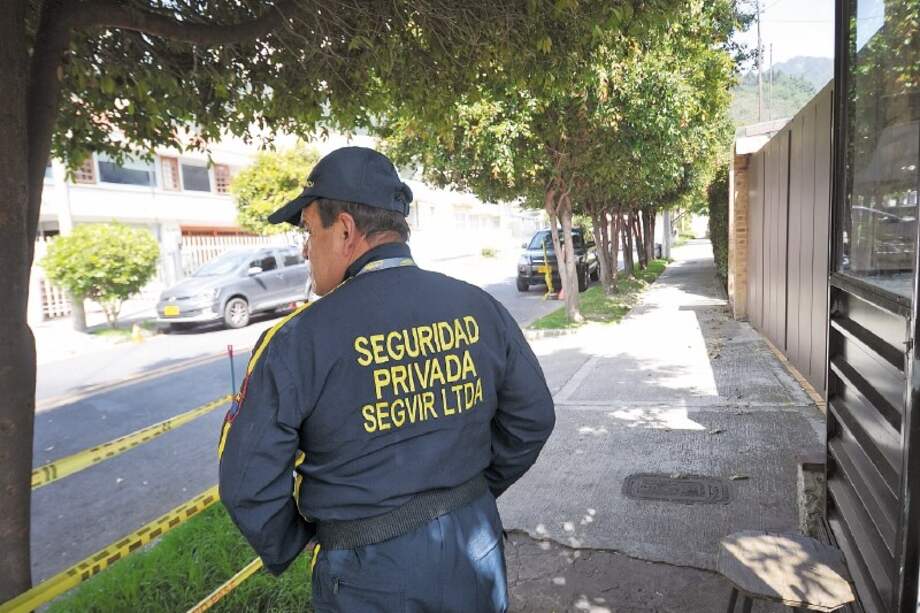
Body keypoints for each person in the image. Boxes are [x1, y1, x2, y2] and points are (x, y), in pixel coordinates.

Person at [218, 146, 555, 612]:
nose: (304, 249)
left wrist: (307, 538)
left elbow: (246, 482)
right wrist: (468, 495)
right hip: (474, 549)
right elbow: (533, 419)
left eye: (309, 231)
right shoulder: (479, 308)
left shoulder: (296, 340)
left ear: (345, 231)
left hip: (367, 573)